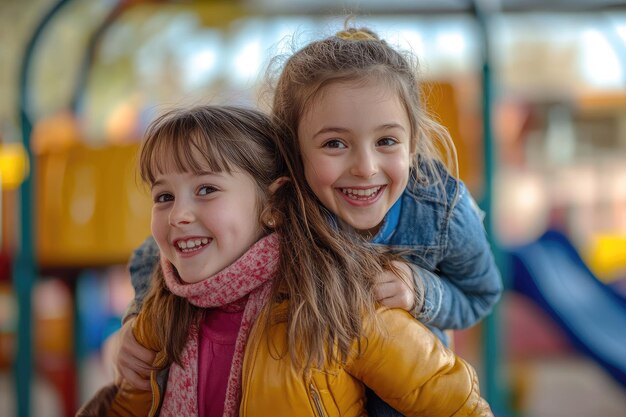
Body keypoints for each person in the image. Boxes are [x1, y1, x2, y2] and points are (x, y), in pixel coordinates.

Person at [111, 25, 503, 416]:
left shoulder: (440, 209)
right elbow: (161, 253)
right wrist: (137, 324)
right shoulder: (286, 200)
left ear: (412, 143)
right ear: (293, 153)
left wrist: (420, 291)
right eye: (335, 143)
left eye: (386, 141)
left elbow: (481, 293)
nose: (365, 168)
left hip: (409, 384)